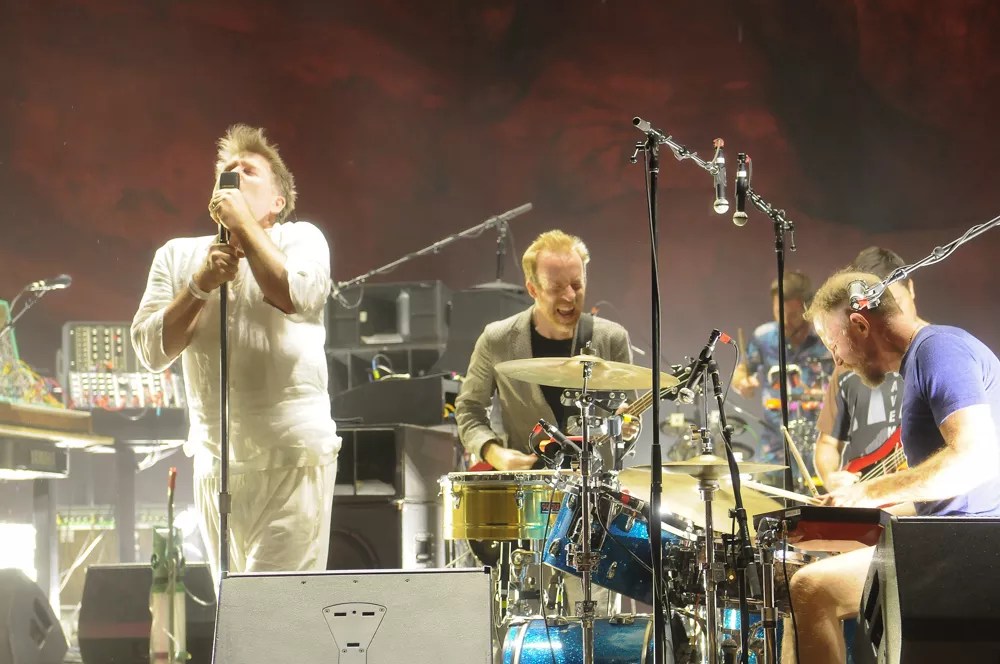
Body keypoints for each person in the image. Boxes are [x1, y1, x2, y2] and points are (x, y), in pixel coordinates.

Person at [131, 124, 339, 588]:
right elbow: (150, 350)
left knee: (274, 608)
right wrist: (199, 284)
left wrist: (243, 224)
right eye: (227, 170)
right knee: (234, 611)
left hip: (291, 458)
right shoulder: (177, 256)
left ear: (278, 201)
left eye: (249, 171)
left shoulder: (302, 239)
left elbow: (296, 295)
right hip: (215, 463)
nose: (235, 175)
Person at [784, 269, 1000, 664]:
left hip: (975, 547)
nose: (837, 359)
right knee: (804, 583)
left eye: (834, 344)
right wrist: (849, 517)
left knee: (810, 588)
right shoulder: (923, 358)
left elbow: (974, 458)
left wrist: (868, 491)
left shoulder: (939, 350)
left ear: (860, 324)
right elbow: (945, 497)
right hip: (957, 536)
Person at [455, 229, 637, 471]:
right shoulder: (496, 339)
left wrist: (627, 426)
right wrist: (493, 452)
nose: (570, 296)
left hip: (596, 484)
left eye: (576, 285)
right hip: (526, 485)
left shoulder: (612, 338)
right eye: (556, 287)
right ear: (533, 289)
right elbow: (469, 409)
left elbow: (630, 414)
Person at [813, 247, 927, 492]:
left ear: (911, 288)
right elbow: (827, 443)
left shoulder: (939, 353)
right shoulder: (847, 366)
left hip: (918, 501)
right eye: (875, 308)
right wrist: (831, 478)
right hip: (864, 496)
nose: (887, 317)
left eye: (895, 302)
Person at [733, 272, 831, 467]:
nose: (785, 321)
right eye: (779, 313)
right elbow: (742, 371)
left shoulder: (826, 336)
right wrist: (742, 383)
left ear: (807, 308)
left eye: (793, 315)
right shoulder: (763, 337)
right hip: (775, 448)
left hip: (822, 446)